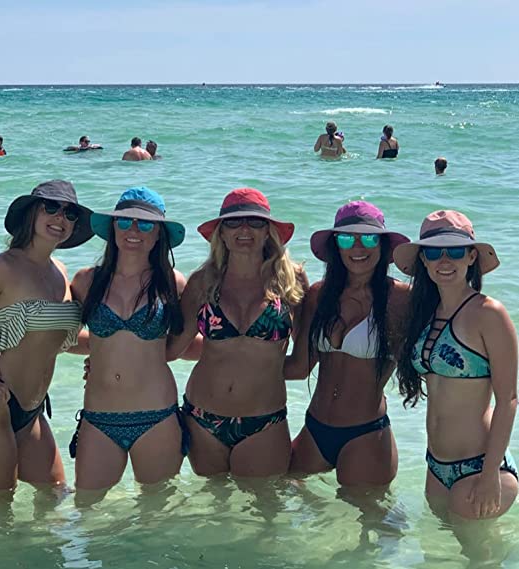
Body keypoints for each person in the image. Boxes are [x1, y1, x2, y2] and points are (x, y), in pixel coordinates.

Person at [0, 180, 93, 492]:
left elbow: (57, 340)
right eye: (51, 207)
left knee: (56, 494)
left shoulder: (60, 271)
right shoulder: (2, 267)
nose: (60, 218)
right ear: (31, 213)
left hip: (33, 410)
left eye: (70, 214)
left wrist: (119, 348)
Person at [167, 188, 306, 477]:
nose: (244, 230)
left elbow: (302, 364)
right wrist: (111, 361)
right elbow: (173, 348)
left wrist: (261, 371)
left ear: (268, 231)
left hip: (264, 421)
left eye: (255, 222)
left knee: (264, 505)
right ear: (221, 233)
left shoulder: (290, 280)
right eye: (233, 222)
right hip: (201, 418)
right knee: (213, 504)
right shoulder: (202, 282)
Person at [395, 211, 518, 519]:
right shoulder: (425, 313)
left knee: (475, 548)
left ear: (472, 256)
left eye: (455, 251)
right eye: (434, 252)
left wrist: (489, 476)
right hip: (436, 465)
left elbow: (508, 400)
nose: (444, 260)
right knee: (439, 546)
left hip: (481, 466)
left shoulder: (489, 313)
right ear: (423, 260)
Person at [69, 187, 188, 493]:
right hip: (99, 418)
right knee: (87, 509)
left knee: (156, 512)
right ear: (113, 228)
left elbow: (192, 341)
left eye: (145, 224)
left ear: (159, 234)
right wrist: (1, 343)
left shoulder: (172, 283)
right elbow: (60, 336)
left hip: (157, 417)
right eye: (124, 221)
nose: (133, 230)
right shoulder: (86, 281)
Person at [284, 201, 410, 486]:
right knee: (280, 491)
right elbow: (300, 368)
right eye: (346, 239)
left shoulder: (401, 300)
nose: (358, 247)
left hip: (366, 434)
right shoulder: (319, 295)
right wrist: (234, 365)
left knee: (370, 512)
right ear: (335, 246)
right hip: (314, 429)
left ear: (383, 245)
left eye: (369, 238)